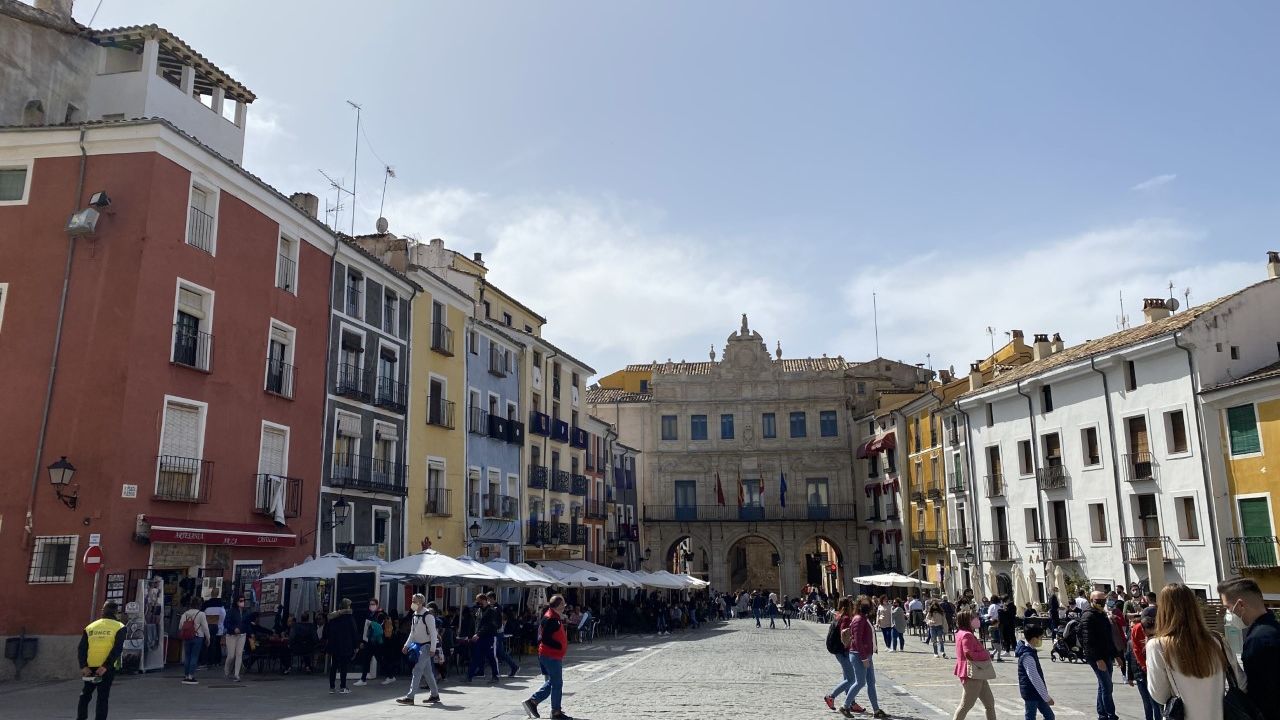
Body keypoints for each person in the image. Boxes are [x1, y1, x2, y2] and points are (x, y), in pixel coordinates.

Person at [1147, 583, 1247, 720]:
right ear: (1194, 607)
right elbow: (1241, 683)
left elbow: (1159, 695)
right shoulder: (1217, 641)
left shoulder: (1157, 646)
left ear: (1163, 610)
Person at [1218, 578, 1279, 719]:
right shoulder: (1274, 629)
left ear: (1240, 605)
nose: (1228, 613)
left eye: (1227, 608)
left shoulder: (1257, 641)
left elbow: (1261, 694)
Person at [523, 594, 573, 720]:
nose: (564, 606)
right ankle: (555, 712)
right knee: (557, 684)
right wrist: (559, 646)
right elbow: (545, 638)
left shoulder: (551, 616)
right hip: (551, 655)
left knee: (552, 682)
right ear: (558, 606)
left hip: (548, 655)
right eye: (563, 604)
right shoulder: (552, 619)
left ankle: (533, 702)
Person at [77, 601, 126, 720]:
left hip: (90, 667)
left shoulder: (90, 627)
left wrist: (83, 666)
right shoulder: (120, 627)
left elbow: (82, 648)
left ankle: (81, 718)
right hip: (106, 669)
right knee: (102, 697)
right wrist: (105, 666)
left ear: (103, 611)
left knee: (85, 695)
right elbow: (117, 649)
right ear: (116, 612)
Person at [1080, 590, 1120, 720]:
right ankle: (1110, 714)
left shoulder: (1101, 614)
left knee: (1103, 686)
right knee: (1107, 687)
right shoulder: (1088, 616)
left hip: (1106, 654)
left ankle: (1102, 714)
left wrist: (1116, 655)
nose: (1102, 603)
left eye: (1103, 600)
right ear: (1091, 600)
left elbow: (1109, 638)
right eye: (1098, 601)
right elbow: (1088, 641)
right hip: (1096, 657)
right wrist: (1097, 659)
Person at [951, 609, 997, 720]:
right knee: (966, 705)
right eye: (973, 618)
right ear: (966, 620)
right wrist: (986, 654)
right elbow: (969, 654)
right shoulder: (967, 635)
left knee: (989, 703)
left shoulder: (961, 633)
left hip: (978, 672)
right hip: (972, 673)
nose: (976, 619)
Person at [396, 594, 440, 706]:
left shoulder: (428, 616)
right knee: (428, 672)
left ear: (420, 602)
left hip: (426, 646)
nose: (412, 603)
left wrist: (433, 648)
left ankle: (410, 697)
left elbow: (434, 633)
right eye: (412, 600)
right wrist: (406, 645)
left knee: (417, 670)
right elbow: (412, 632)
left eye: (414, 601)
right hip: (418, 645)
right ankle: (435, 695)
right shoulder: (415, 614)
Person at [1017, 625, 1054, 720]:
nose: (1041, 640)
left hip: (1037, 692)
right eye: (1040, 638)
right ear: (1034, 639)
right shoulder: (1028, 656)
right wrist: (1046, 697)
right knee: (1031, 717)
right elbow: (1034, 678)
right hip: (1031, 693)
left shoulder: (1031, 651)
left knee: (1050, 716)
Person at [1128, 608, 1159, 720]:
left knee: (1157, 701)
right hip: (1142, 670)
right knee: (1148, 702)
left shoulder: (1159, 628)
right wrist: (1143, 666)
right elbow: (1135, 650)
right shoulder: (1137, 629)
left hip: (1155, 668)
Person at [354, 598, 391, 686]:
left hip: (377, 641)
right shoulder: (369, 614)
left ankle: (390, 676)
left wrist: (372, 624)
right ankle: (363, 679)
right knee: (367, 660)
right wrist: (363, 641)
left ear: (377, 605)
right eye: (370, 604)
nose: (371, 606)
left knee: (379, 660)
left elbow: (379, 627)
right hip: (370, 641)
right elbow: (366, 629)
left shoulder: (381, 614)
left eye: (373, 604)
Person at [467, 592, 502, 683]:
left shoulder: (491, 611)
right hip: (481, 637)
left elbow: (489, 625)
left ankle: (495, 676)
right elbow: (477, 624)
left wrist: (478, 634)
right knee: (476, 656)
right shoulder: (480, 610)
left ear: (483, 600)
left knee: (491, 657)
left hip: (489, 637)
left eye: (478, 601)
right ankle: (469, 676)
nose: (477, 603)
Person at [327, 598, 358, 695]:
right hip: (345, 645)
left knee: (334, 666)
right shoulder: (349, 617)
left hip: (335, 645)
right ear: (348, 606)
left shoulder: (334, 617)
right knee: (343, 667)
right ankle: (343, 687)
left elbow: (328, 631)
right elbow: (354, 632)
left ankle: (332, 687)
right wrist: (356, 646)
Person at [177, 600, 210, 684]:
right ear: (199, 605)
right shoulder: (201, 614)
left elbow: (180, 626)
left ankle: (186, 675)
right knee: (194, 656)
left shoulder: (185, 614)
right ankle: (191, 676)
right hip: (197, 637)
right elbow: (205, 627)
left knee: (187, 656)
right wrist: (208, 638)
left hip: (187, 637)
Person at [223, 596, 250, 682]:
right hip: (231, 635)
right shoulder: (231, 611)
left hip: (242, 635)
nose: (243, 602)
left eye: (244, 600)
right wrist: (233, 628)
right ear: (237, 602)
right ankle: (227, 671)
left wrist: (248, 631)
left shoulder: (246, 612)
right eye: (241, 600)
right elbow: (226, 623)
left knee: (239, 654)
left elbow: (247, 623)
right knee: (231, 655)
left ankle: (236, 674)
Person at [201, 593, 225, 670]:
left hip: (208, 629)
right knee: (217, 646)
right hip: (219, 629)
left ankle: (207, 661)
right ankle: (217, 661)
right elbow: (223, 620)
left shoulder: (207, 609)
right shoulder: (221, 609)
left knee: (208, 645)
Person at [986, 597, 1004, 661]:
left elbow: (989, 615)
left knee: (997, 648)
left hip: (992, 622)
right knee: (999, 649)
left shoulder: (991, 606)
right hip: (996, 639)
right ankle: (998, 658)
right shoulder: (999, 607)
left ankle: (992, 655)